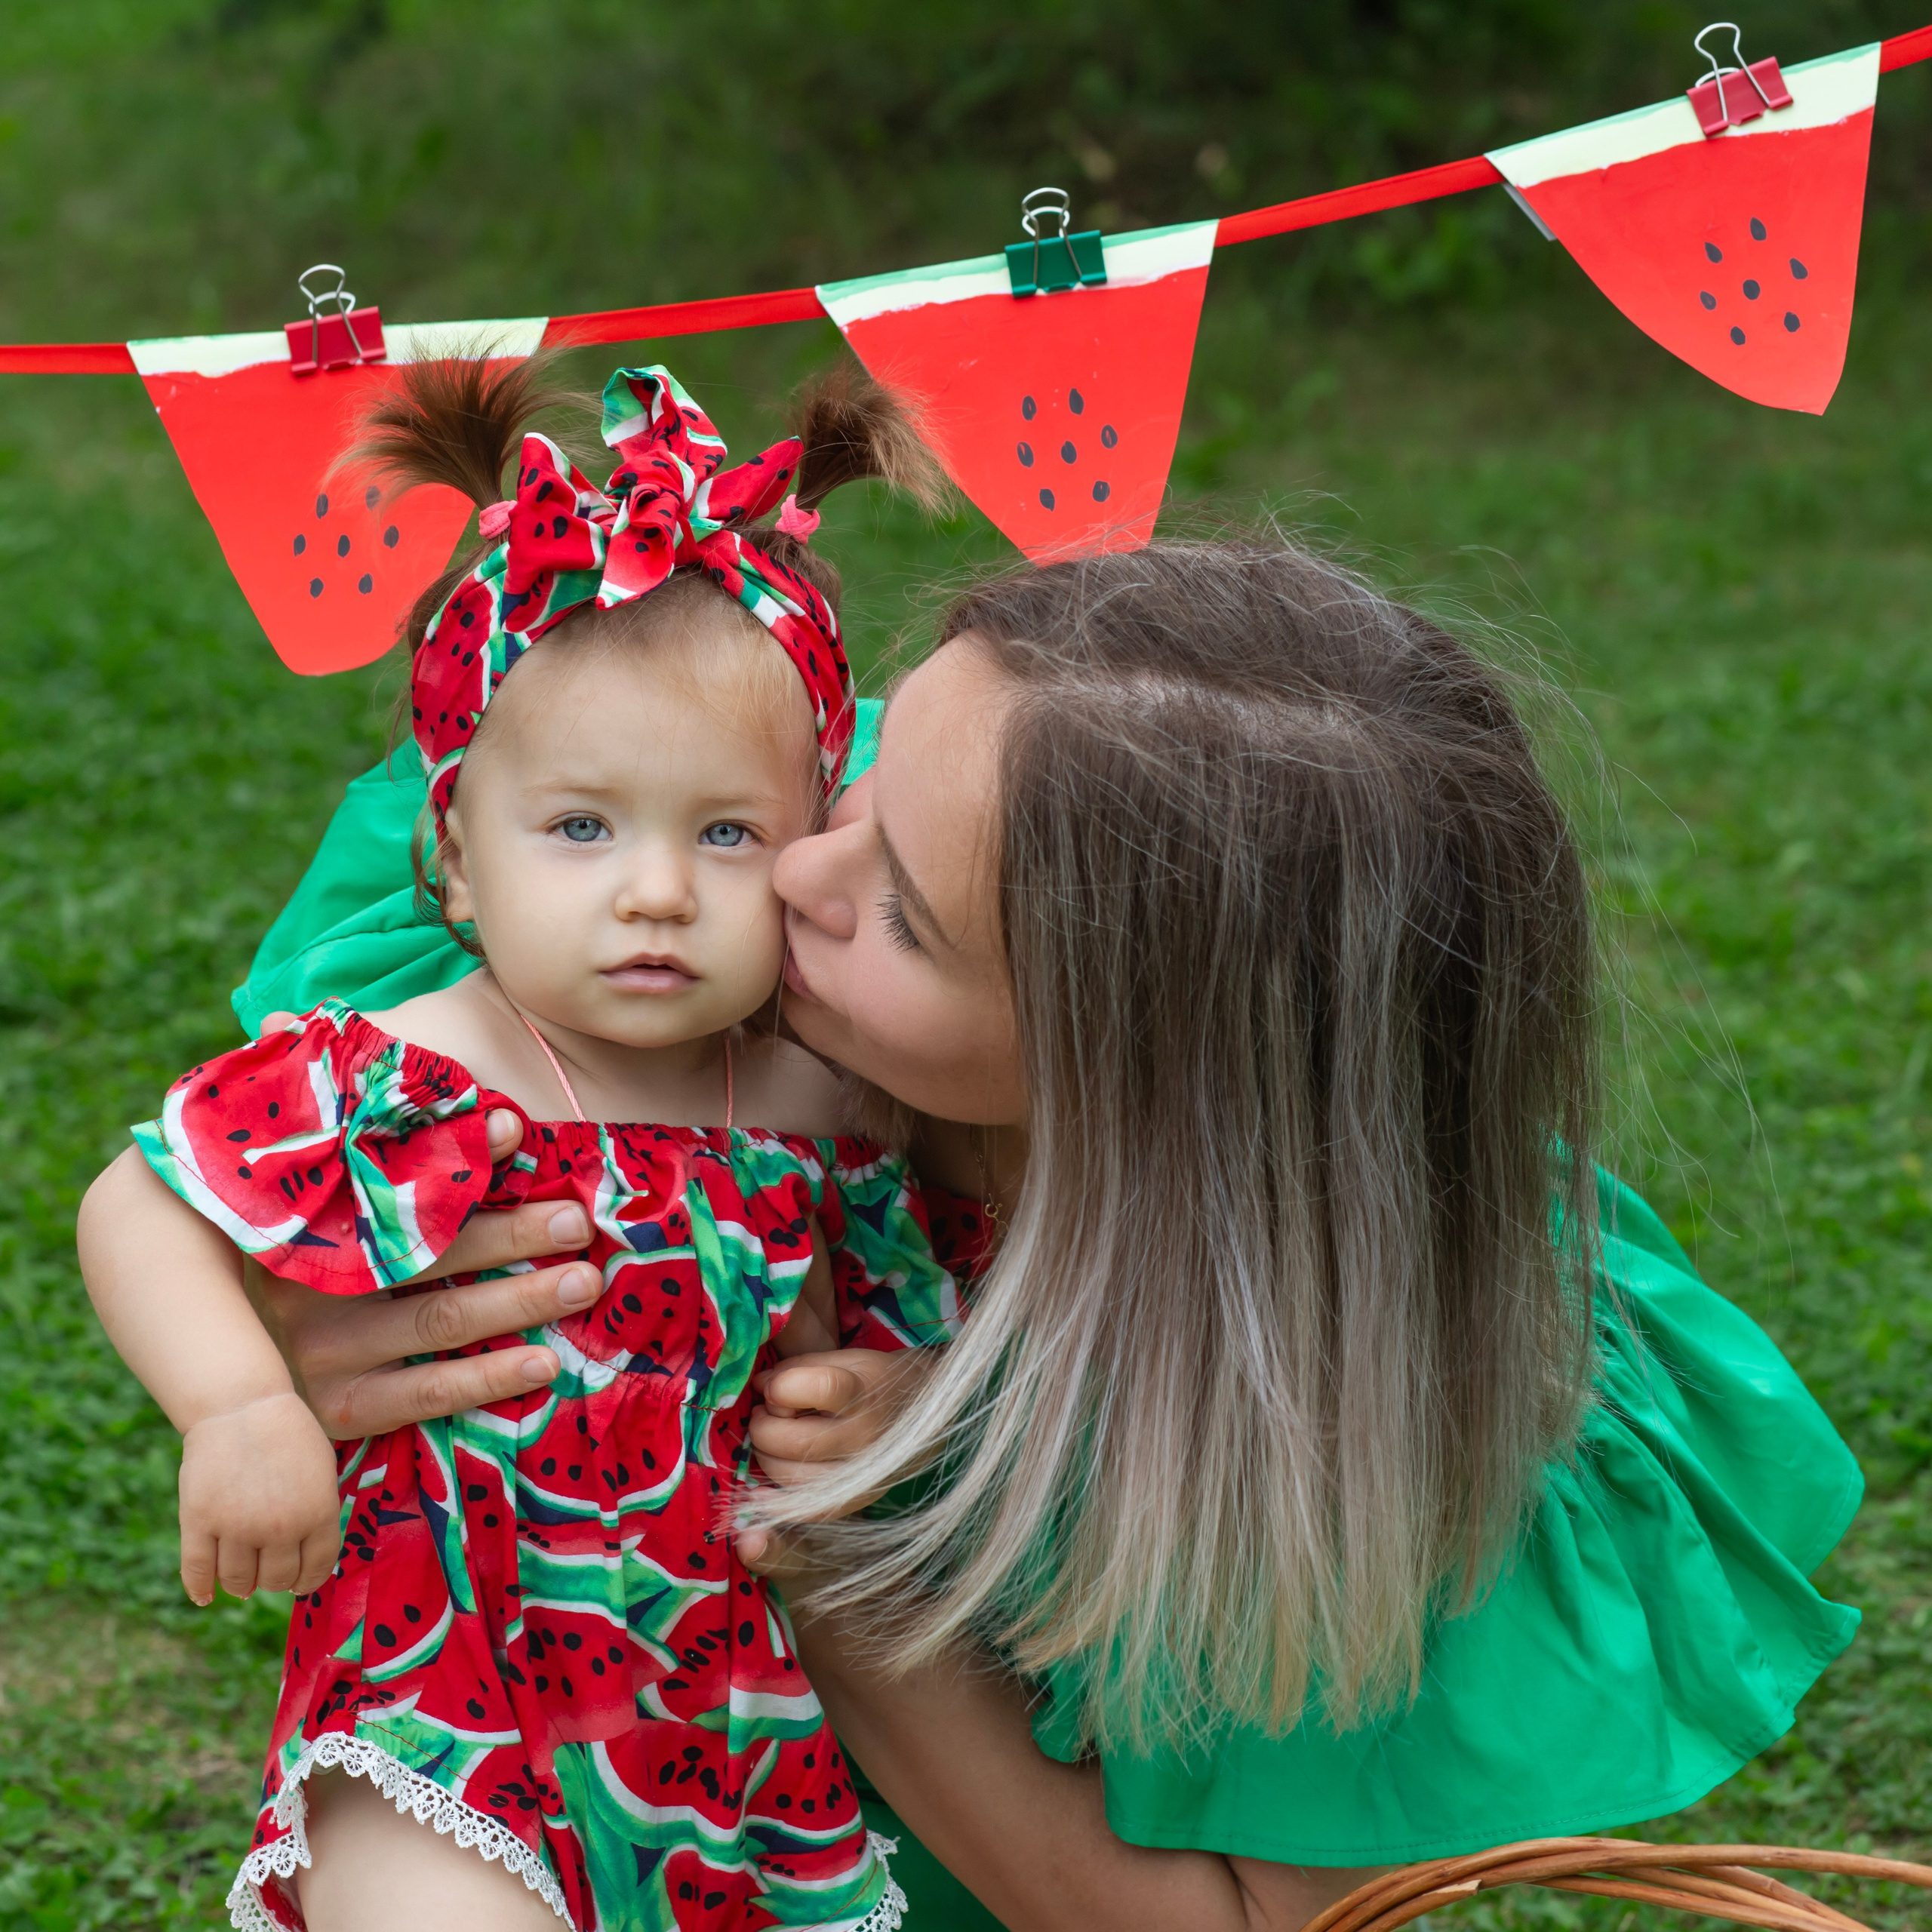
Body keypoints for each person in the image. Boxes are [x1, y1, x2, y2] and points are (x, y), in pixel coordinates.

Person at [106, 536, 1865, 1932]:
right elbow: (281, 1160)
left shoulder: (1428, 1386)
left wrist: (865, 1560)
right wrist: (289, 1339)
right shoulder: (755, 859)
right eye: (847, 786)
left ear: (1123, 1086)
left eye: (902, 910)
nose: (781, 874)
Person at [76, 356, 959, 1932]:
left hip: (726, 1729)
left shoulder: (824, 1113)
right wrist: (232, 1404)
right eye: (579, 826)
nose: (655, 891)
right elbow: (144, 1205)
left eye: (727, 831)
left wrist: (889, 1397)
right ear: (455, 858)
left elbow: (924, 1320)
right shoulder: (409, 1071)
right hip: (438, 1684)